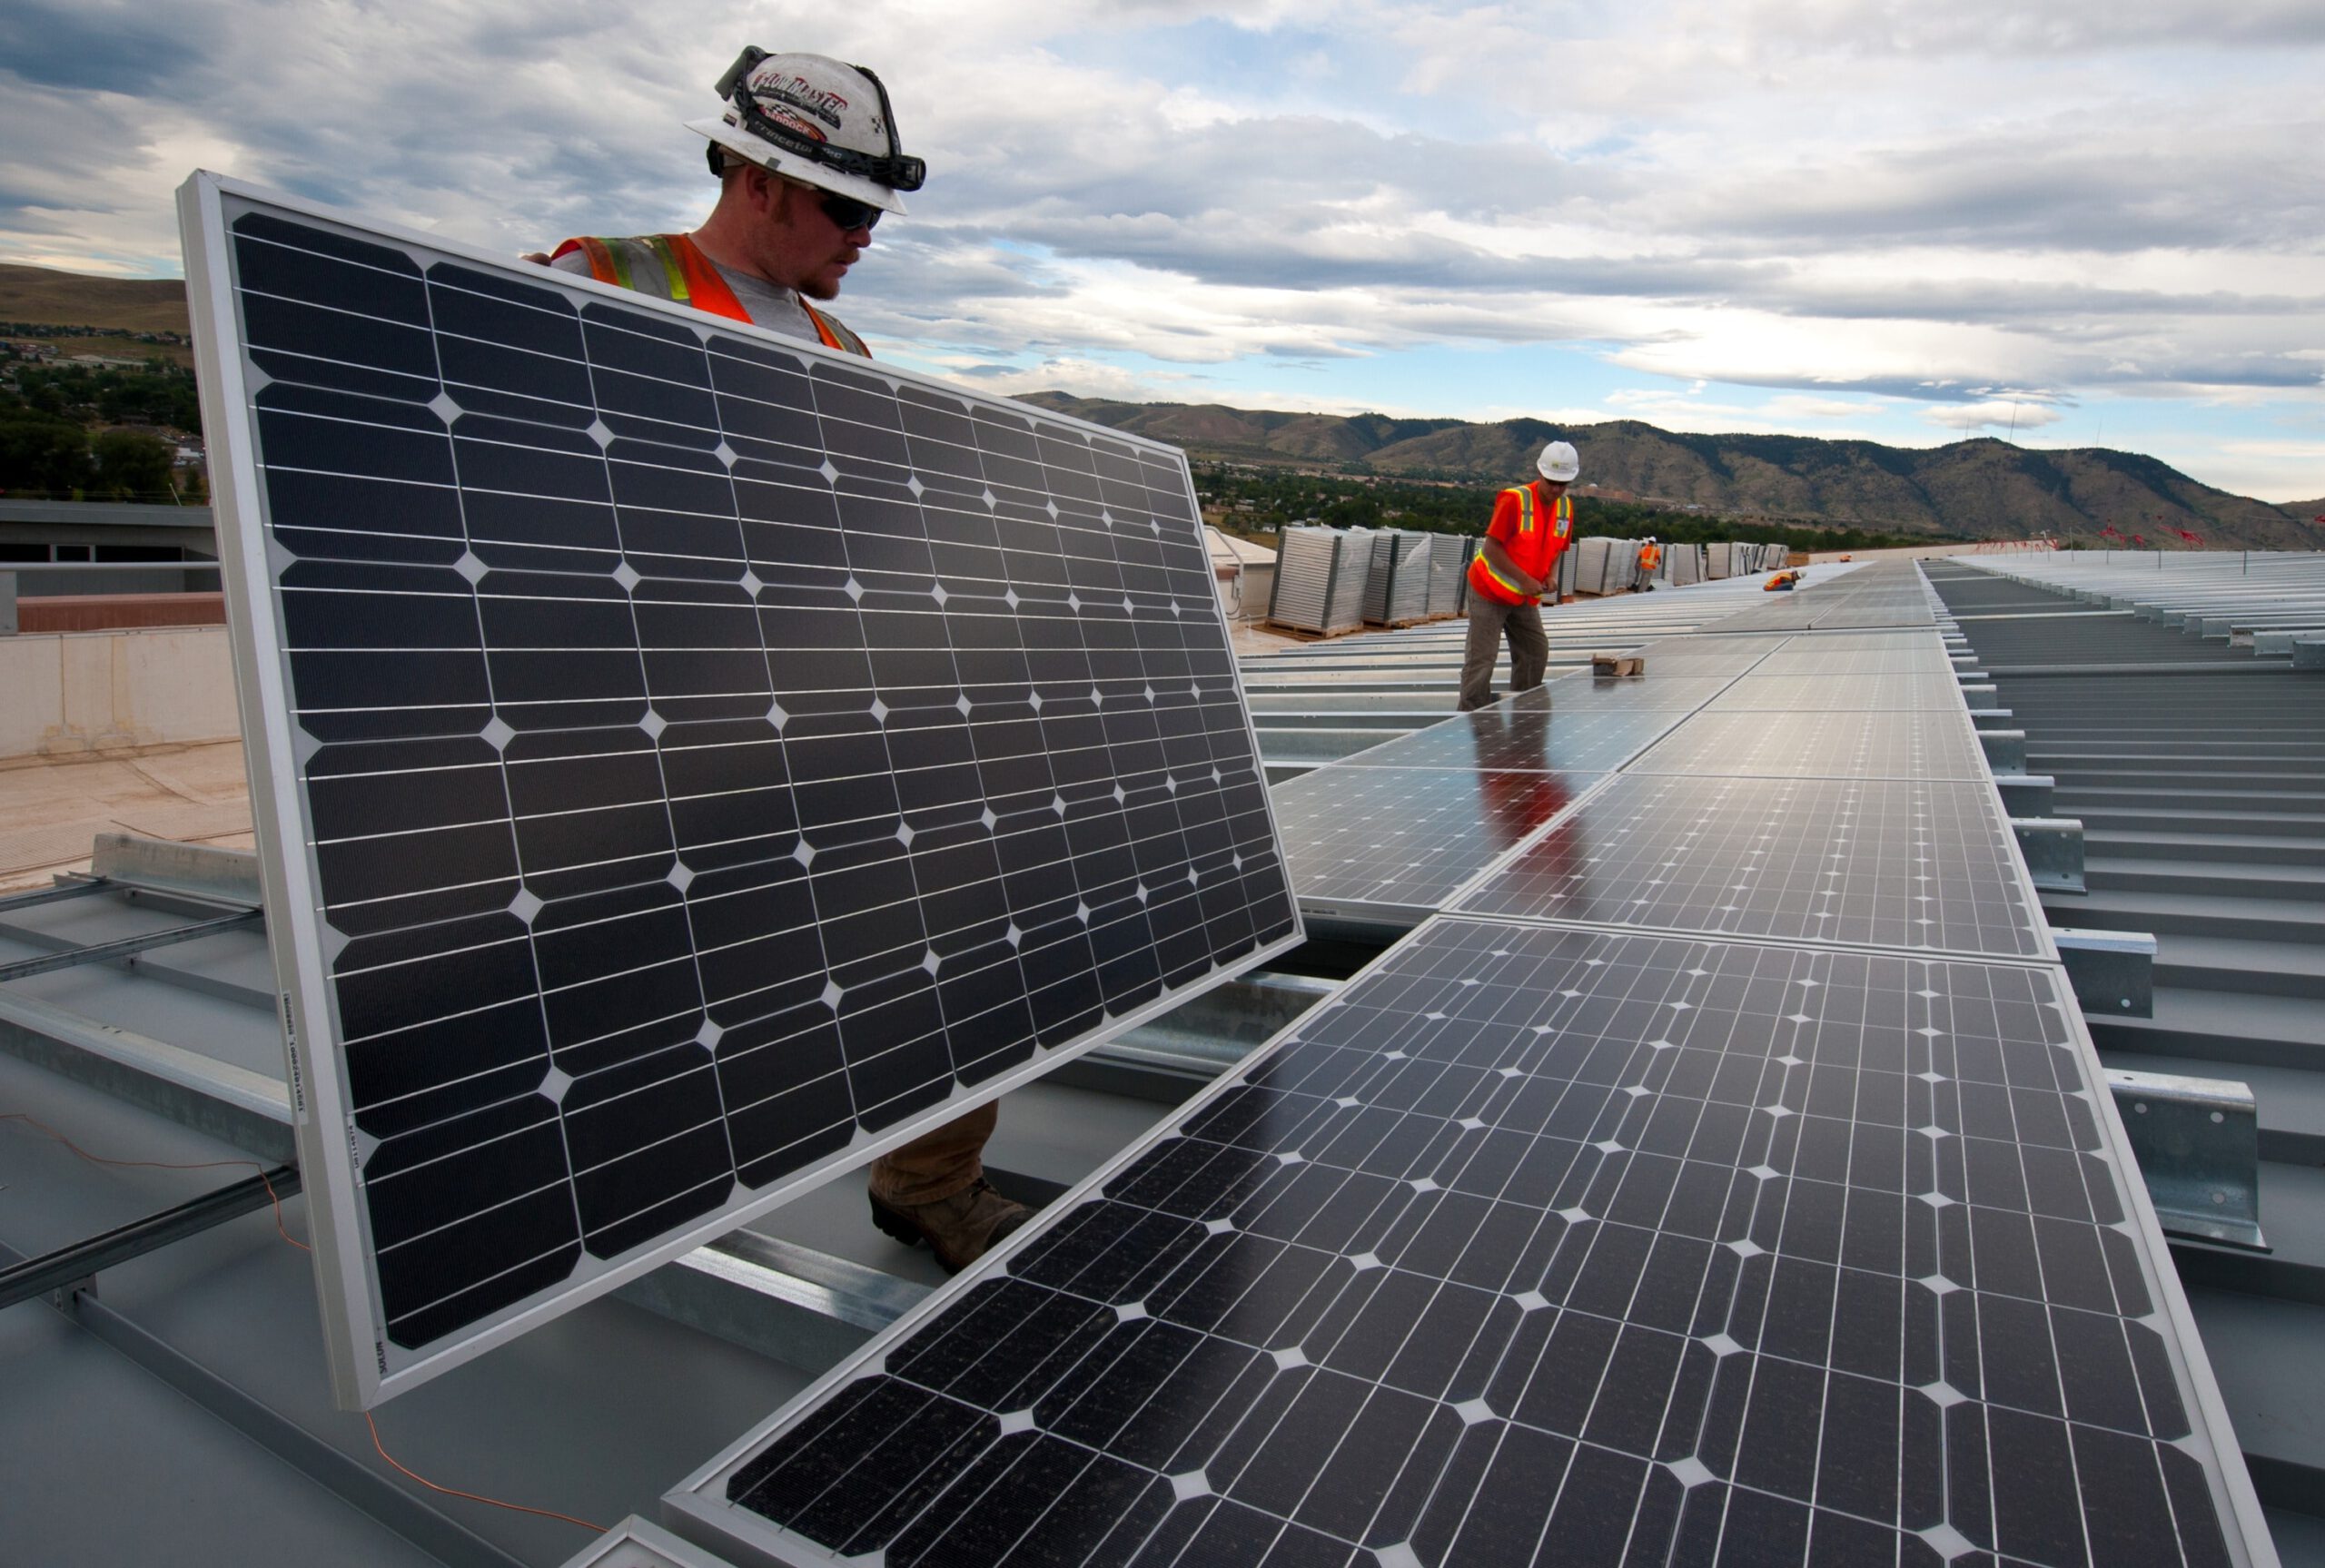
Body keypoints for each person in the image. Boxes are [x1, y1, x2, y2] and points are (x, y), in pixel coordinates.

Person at [543, 47, 1028, 1274]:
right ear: (760, 178)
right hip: (638, 721)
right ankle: (584, 1198)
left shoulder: (841, 347)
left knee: (954, 916)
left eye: (874, 211)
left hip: (800, 708)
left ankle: (931, 1178)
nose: (866, 235)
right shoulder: (596, 280)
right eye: (846, 206)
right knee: (641, 985)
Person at [1458, 440, 1578, 712]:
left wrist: (1551, 575)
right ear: (1540, 474)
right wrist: (1524, 579)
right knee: (1482, 660)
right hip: (1490, 590)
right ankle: (1470, 720)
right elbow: (1491, 548)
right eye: (1551, 482)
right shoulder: (1515, 500)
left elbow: (1559, 547)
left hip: (1524, 595)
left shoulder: (1566, 509)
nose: (1556, 489)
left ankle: (1523, 711)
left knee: (1535, 651)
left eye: (1563, 484)